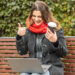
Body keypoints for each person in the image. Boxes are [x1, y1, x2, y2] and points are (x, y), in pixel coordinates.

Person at [16, 1, 67, 75]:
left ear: (45, 16)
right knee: (23, 73)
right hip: (33, 67)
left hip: (51, 67)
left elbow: (64, 53)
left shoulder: (55, 30)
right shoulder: (29, 30)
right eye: (34, 16)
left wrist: (55, 42)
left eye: (39, 16)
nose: (36, 19)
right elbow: (22, 52)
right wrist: (19, 37)